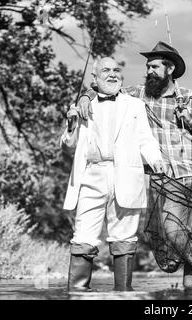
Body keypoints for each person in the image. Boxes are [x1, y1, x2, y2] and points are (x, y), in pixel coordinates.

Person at [77, 42, 192, 287]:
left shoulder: (189, 97)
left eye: (155, 67)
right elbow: (106, 86)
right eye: (148, 67)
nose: (149, 71)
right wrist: (86, 95)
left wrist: (189, 120)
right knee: (173, 232)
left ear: (169, 69)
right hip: (166, 175)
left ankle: (189, 291)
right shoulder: (137, 94)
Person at [61, 57, 164, 292]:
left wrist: (156, 159)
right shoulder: (83, 106)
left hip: (127, 174)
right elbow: (69, 144)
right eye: (105, 70)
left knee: (125, 238)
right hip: (91, 175)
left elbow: (144, 139)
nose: (112, 74)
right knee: (83, 236)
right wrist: (70, 124)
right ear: (94, 78)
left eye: (117, 70)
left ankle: (124, 295)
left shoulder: (135, 105)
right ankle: (76, 294)